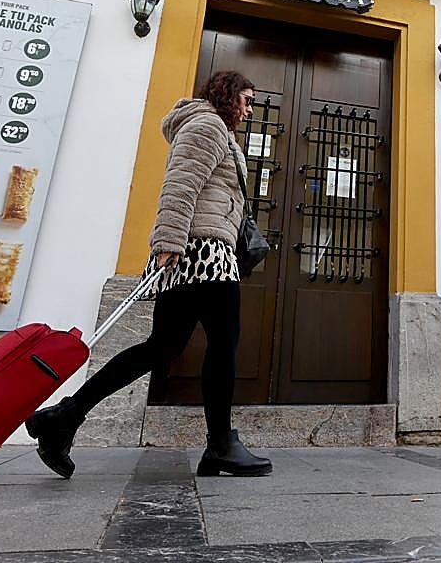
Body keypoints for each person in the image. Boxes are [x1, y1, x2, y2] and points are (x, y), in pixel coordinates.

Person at [27, 71, 272, 478]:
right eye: (246, 100)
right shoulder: (208, 125)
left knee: (161, 347)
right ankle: (220, 445)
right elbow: (180, 185)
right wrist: (169, 241)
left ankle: (65, 416)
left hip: (197, 250)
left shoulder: (215, 130)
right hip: (203, 251)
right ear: (229, 95)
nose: (249, 110)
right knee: (222, 343)